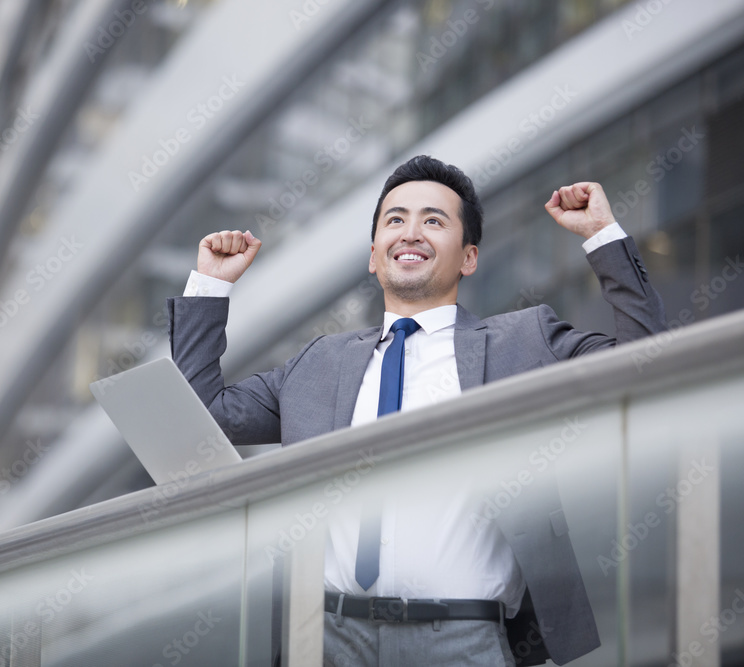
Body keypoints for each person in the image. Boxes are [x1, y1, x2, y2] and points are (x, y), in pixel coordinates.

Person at [166, 155, 666, 665]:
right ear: (373, 255)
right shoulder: (318, 363)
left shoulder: (524, 340)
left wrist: (602, 234)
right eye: (395, 219)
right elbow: (198, 416)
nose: (410, 233)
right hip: (327, 636)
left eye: (433, 220)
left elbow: (647, 363)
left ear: (468, 258)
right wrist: (211, 284)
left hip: (461, 638)